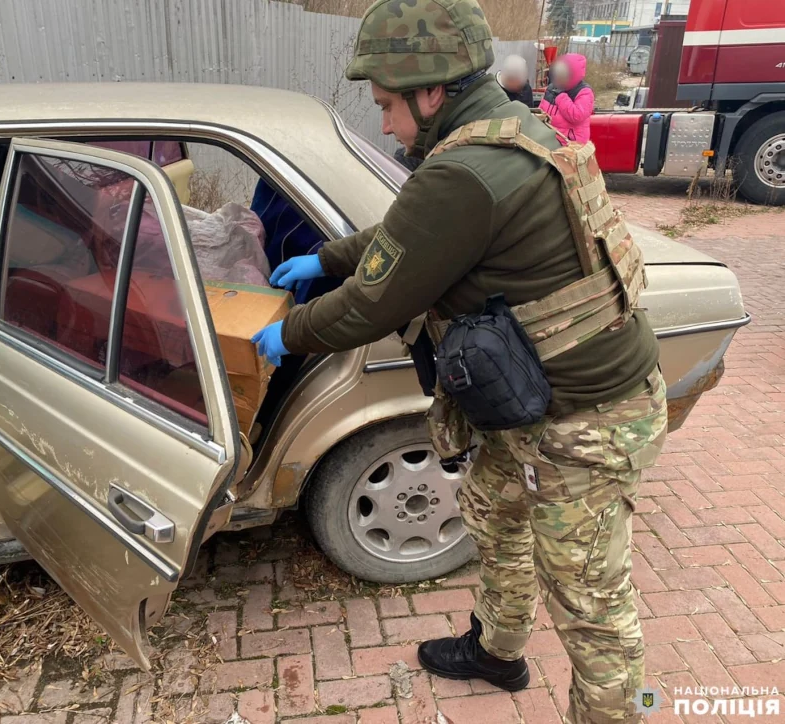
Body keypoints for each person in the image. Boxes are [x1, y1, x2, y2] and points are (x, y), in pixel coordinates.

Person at [252, 2, 665, 721]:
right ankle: (496, 651)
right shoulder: (500, 130)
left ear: (431, 91)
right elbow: (409, 234)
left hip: (586, 424)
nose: (383, 123)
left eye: (386, 105)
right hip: (535, 402)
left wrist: (290, 334)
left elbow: (371, 305)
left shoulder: (466, 170)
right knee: (495, 515)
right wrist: (323, 255)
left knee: (591, 606)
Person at [540, 53, 595, 142]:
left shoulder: (584, 92)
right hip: (550, 138)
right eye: (558, 74)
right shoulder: (551, 87)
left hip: (570, 144)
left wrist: (561, 97)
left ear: (572, 75)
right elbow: (541, 110)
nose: (558, 78)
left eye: (563, 75)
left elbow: (577, 116)